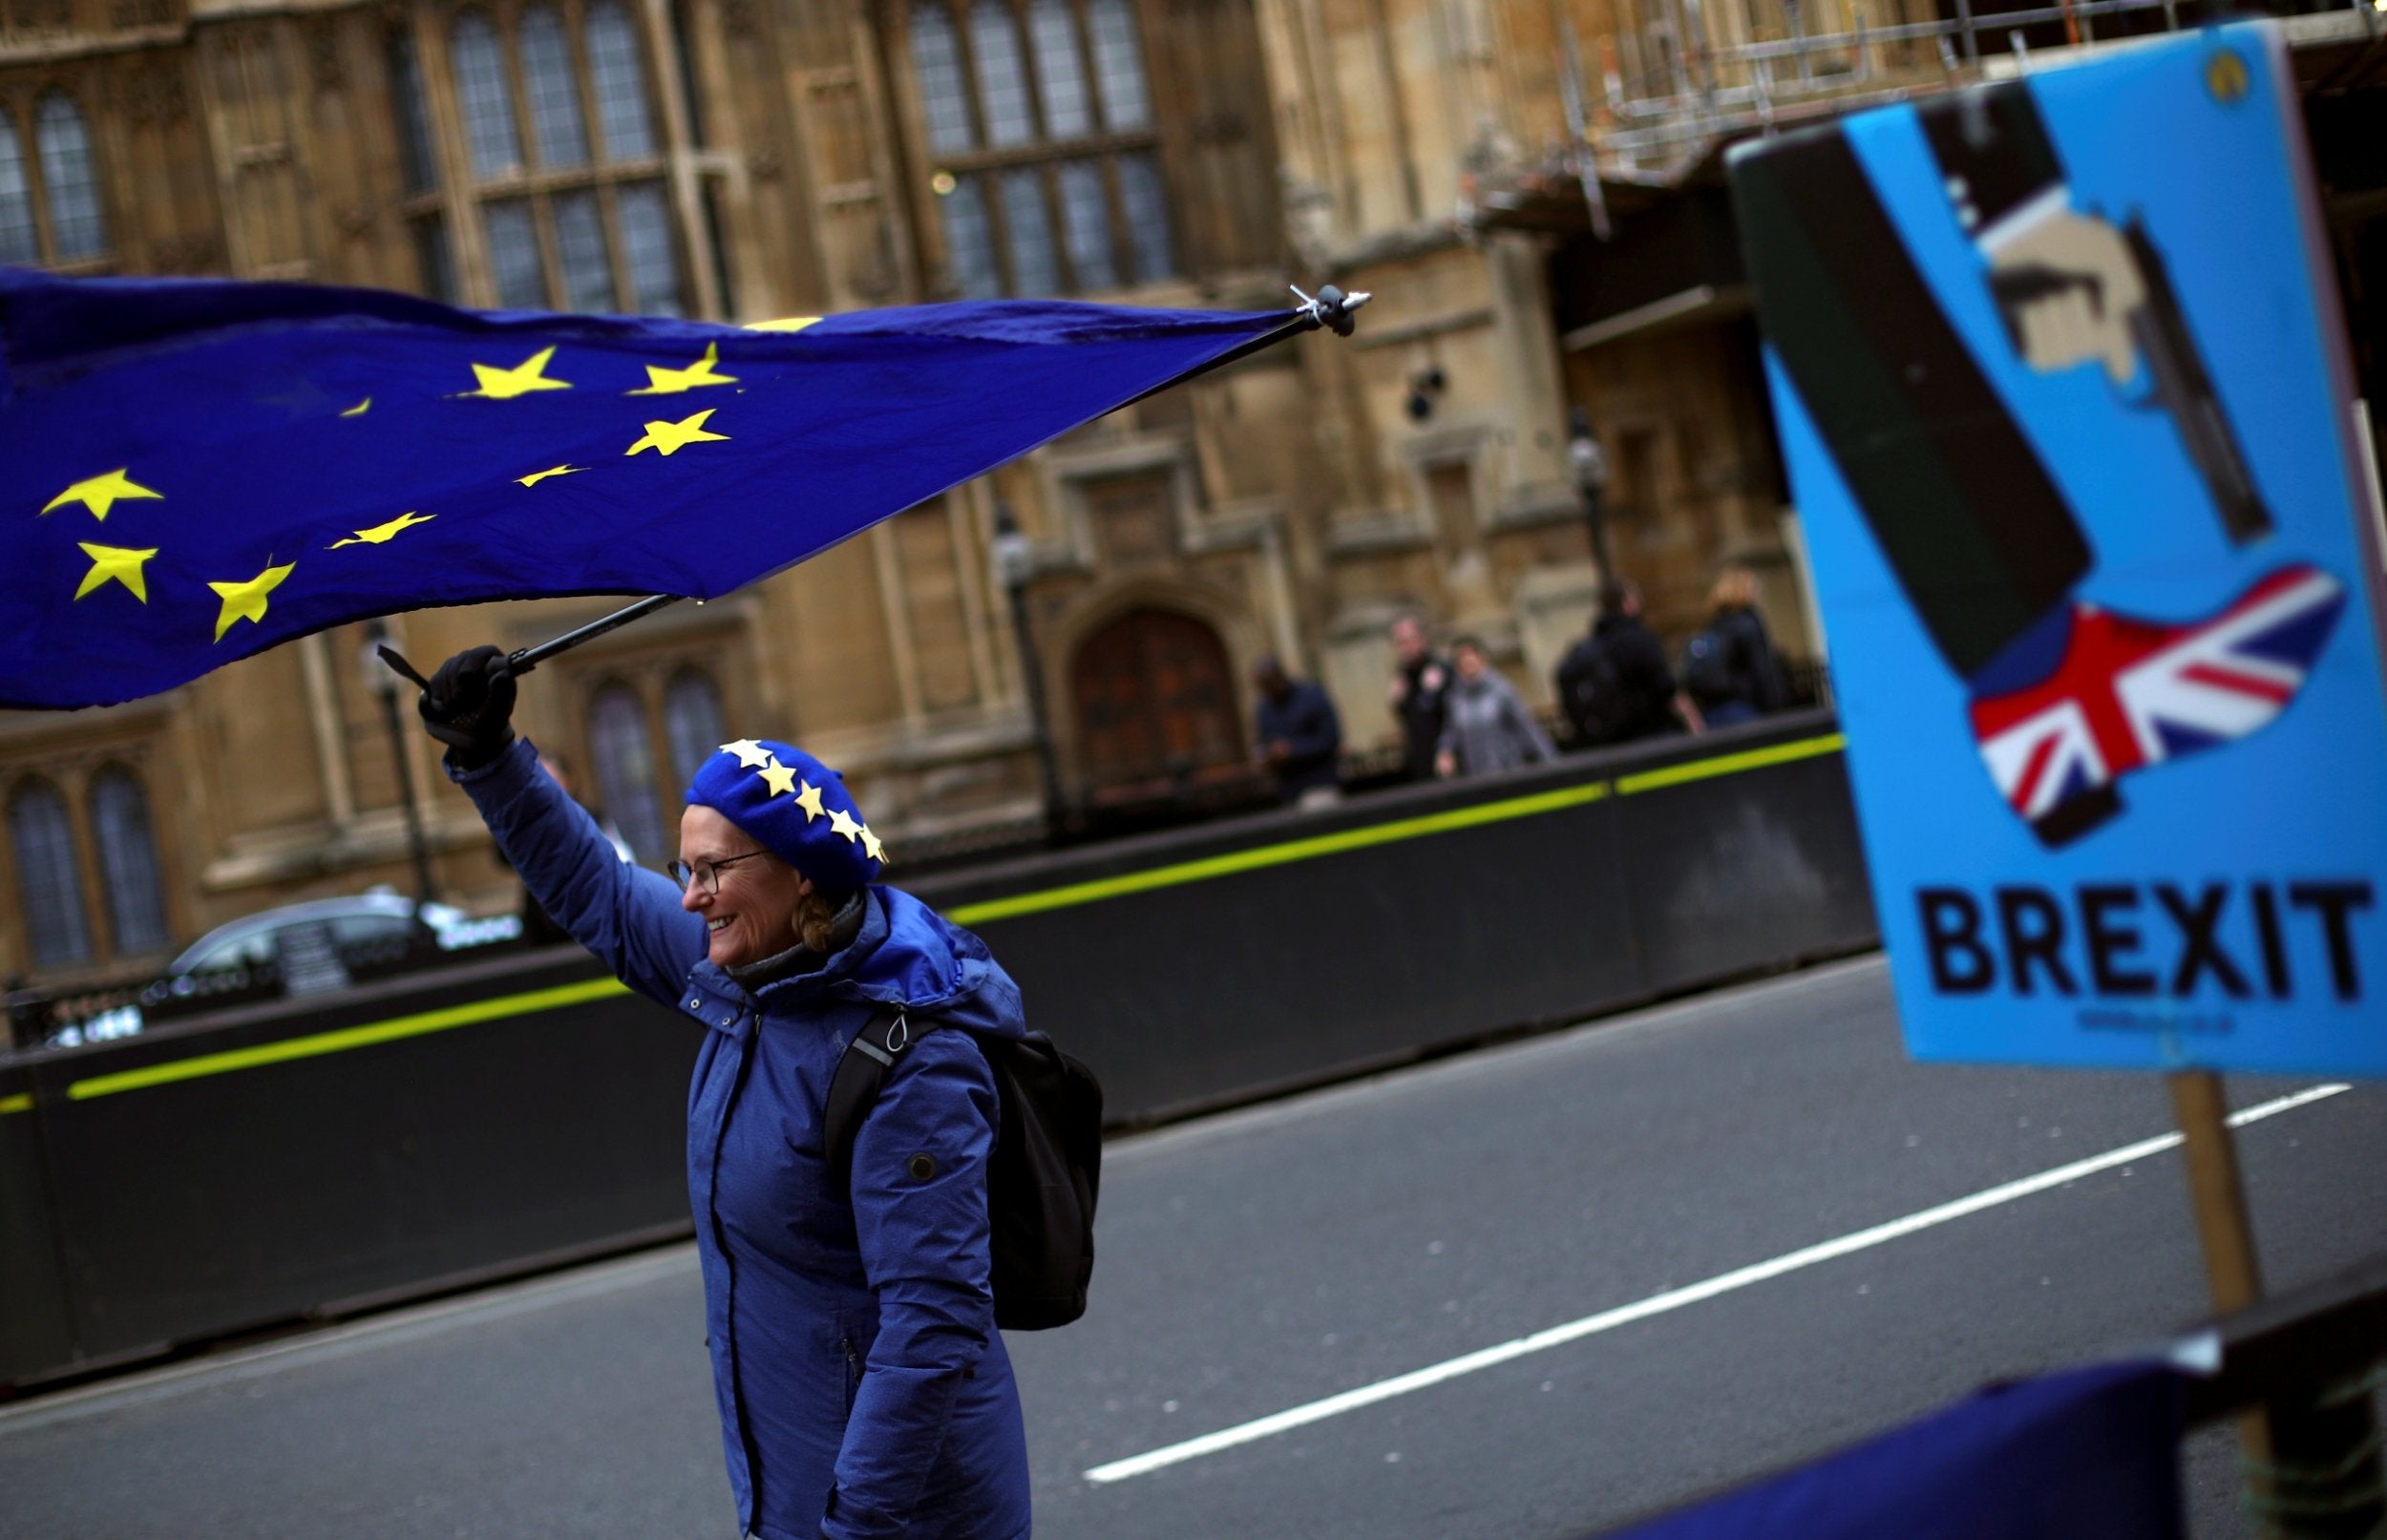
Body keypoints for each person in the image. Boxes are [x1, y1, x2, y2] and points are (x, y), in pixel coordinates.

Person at [415, 645, 1031, 1540]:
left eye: (713, 871)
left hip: (904, 1512)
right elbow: (597, 887)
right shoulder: (748, 971)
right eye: (685, 870)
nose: (693, 897)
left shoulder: (913, 1058)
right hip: (796, 1489)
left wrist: (853, 1522)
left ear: (800, 872)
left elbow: (935, 1321)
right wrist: (491, 753)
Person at [1554, 578, 1700, 748]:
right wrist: (1695, 724)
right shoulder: (1639, 639)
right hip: (1653, 735)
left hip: (1614, 745)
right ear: (1628, 603)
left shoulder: (1592, 645)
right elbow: (1667, 688)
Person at [506, 752, 632, 946]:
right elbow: (503, 856)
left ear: (567, 781)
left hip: (592, 910)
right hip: (543, 920)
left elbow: (620, 860)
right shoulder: (522, 823)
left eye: (549, 779)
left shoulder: (591, 817)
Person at [1682, 567, 1790, 728]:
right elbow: (1763, 670)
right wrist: (1777, 708)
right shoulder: (1749, 624)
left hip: (1715, 714)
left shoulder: (1715, 625)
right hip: (1748, 709)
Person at [1434, 636, 1556, 777]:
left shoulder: (1501, 691)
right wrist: (1445, 751)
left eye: (1471, 656)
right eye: (1462, 658)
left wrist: (1551, 762)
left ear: (1481, 659)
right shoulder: (1455, 698)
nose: (1468, 662)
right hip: (1476, 775)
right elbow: (1451, 731)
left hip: (1508, 772)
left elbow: (1526, 728)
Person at [1252, 655, 1343, 809]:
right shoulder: (1264, 709)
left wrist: (1292, 750)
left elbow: (1330, 738)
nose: (1270, 689)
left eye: (1271, 682)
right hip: (1288, 792)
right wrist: (1266, 755)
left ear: (1281, 676)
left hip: (1319, 787)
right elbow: (1262, 743)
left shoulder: (1312, 695)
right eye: (1264, 686)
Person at [1385, 614, 1449, 781]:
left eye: (1411, 640)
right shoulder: (1403, 675)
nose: (1407, 647)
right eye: (1401, 643)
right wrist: (1398, 702)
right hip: (1420, 756)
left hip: (1445, 754)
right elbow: (1409, 717)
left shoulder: (1439, 668)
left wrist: (1447, 749)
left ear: (1423, 639)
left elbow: (1448, 714)